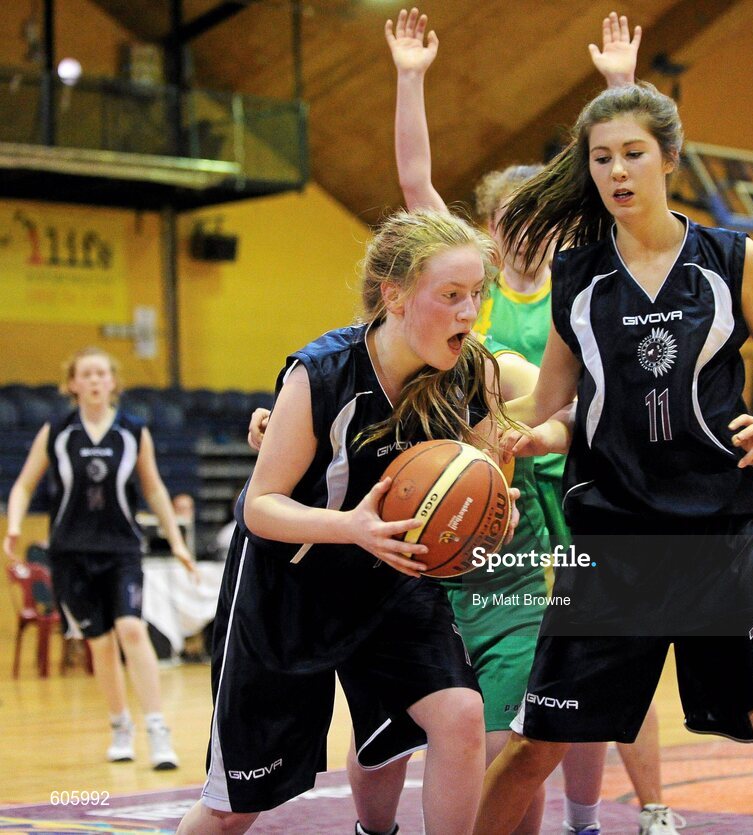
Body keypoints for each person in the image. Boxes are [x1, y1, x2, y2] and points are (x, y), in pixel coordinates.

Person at [471, 78, 753, 835]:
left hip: (726, 530)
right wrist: (508, 435)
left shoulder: (729, 258)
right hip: (615, 539)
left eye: (633, 154)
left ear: (668, 158)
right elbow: (551, 403)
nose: (616, 171)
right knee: (532, 745)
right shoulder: (576, 275)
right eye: (602, 158)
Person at [386, 10, 677, 834]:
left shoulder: (582, 284)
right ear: (485, 226)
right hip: (491, 514)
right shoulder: (466, 297)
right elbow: (414, 186)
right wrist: (410, 78)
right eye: (506, 215)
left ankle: (597, 816)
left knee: (590, 675)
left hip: (577, 498)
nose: (523, 227)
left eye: (535, 213)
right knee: (518, 691)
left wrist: (621, 86)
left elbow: (631, 190)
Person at [176, 208, 525, 835]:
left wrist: (494, 513)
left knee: (459, 717)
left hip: (392, 583)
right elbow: (260, 507)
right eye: (451, 296)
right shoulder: (325, 373)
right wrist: (353, 529)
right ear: (393, 295)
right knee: (236, 810)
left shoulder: (470, 372)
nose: (469, 312)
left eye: (477, 294)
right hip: (289, 590)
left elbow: (482, 477)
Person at [3, 346, 196, 769]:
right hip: (70, 553)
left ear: (113, 382)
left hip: (122, 548)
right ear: (72, 383)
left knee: (131, 629)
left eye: (101, 374)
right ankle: (119, 724)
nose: (93, 380)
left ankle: (158, 729)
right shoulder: (57, 432)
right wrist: (15, 525)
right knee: (101, 645)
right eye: (85, 374)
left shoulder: (132, 430)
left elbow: (156, 488)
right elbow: (22, 486)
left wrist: (177, 541)